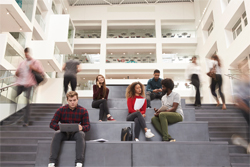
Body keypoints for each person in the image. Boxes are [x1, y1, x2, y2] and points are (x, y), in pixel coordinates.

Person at [48, 91, 90, 167]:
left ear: (77, 100)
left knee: (81, 134)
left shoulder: (83, 110)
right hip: (64, 133)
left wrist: (82, 127)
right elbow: (52, 124)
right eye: (70, 101)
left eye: (74, 100)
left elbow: (87, 126)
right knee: (57, 134)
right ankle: (52, 162)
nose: (72, 102)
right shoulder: (61, 110)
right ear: (67, 100)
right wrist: (60, 127)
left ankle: (79, 163)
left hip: (76, 134)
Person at [15, 47, 44, 127]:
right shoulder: (22, 63)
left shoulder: (35, 62)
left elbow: (41, 71)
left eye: (27, 53)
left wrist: (32, 67)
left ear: (29, 53)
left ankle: (26, 121)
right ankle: (16, 116)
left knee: (27, 101)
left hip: (30, 84)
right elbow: (16, 74)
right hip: (20, 83)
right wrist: (18, 72)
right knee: (14, 96)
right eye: (25, 54)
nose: (26, 55)